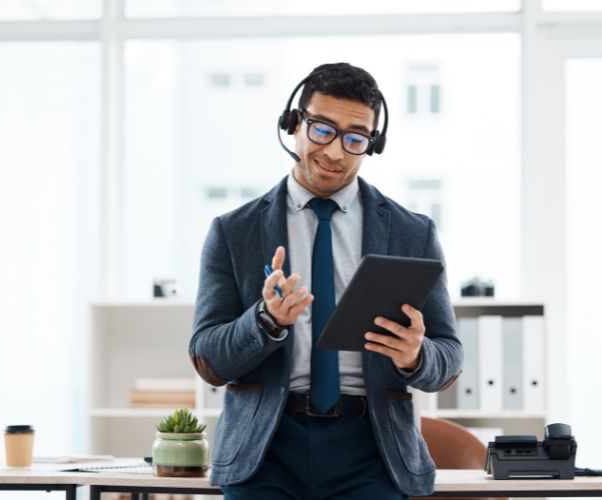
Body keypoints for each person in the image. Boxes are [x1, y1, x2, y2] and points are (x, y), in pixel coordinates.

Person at [190, 62, 463, 499]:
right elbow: (208, 361)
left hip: (371, 451)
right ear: (294, 124)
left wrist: (415, 356)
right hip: (266, 450)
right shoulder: (233, 231)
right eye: (322, 130)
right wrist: (265, 321)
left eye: (355, 138)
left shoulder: (413, 233)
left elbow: (448, 360)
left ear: (372, 145)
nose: (336, 152)